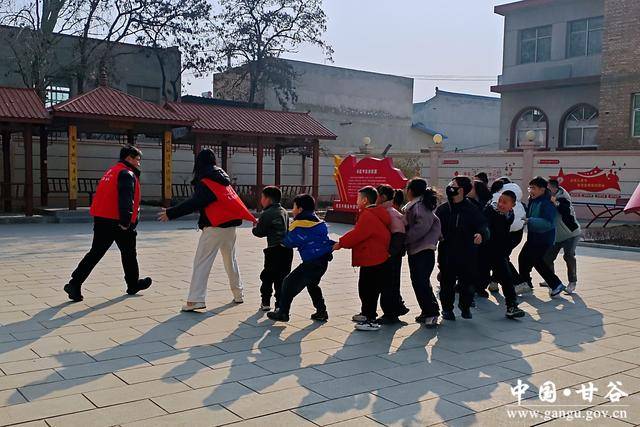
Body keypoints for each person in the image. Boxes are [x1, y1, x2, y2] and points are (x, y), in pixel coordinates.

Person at [158, 149, 256, 311]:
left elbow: (194, 202)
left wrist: (171, 213)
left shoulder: (206, 180)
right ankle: (238, 293)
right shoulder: (222, 178)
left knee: (202, 262)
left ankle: (196, 299)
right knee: (230, 260)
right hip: (230, 226)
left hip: (214, 226)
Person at [64, 145, 152, 302]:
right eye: (137, 160)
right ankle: (132, 284)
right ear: (129, 158)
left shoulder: (112, 171)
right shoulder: (126, 173)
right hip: (117, 221)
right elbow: (126, 199)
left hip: (102, 218)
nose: (139, 163)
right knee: (128, 253)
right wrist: (126, 221)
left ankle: (75, 283)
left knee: (97, 253)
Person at [267, 194, 334, 322]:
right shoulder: (319, 223)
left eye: (294, 207)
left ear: (300, 209)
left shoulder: (300, 225)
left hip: (311, 263)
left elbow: (289, 242)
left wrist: (280, 238)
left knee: (288, 283)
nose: (292, 210)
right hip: (322, 262)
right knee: (312, 285)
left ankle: (283, 312)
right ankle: (321, 311)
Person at [334, 186, 391, 331]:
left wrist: (340, 243)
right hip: (375, 256)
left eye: (358, 198)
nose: (356, 201)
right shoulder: (376, 212)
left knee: (368, 290)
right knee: (367, 288)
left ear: (365, 200)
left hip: (373, 257)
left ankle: (370, 319)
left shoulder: (368, 215)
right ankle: (366, 314)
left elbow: (357, 234)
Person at [435, 176, 489, 320]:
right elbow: (434, 227)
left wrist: (481, 234)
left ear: (462, 190)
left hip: (467, 253)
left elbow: (483, 225)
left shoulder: (472, 209)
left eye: (453, 185)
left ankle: (465, 306)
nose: (450, 188)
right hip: (447, 253)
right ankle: (447, 309)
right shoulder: (443, 209)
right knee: (446, 283)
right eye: (450, 184)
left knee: (467, 283)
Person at [516, 176, 567, 298]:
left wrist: (530, 220)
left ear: (542, 189)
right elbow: (529, 213)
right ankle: (526, 283)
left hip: (544, 238)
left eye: (533, 188)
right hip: (533, 236)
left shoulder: (547, 202)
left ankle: (556, 284)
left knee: (536, 260)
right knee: (524, 258)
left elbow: (548, 223)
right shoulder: (533, 200)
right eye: (530, 188)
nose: (530, 190)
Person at [403, 178, 442, 327]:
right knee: (419, 282)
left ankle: (432, 312)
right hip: (417, 250)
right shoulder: (417, 205)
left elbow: (421, 227)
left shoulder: (419, 207)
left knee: (421, 282)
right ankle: (426, 311)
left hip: (423, 250)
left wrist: (405, 238)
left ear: (410, 191)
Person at [483, 190, 525, 319]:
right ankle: (466, 299)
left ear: (513, 205)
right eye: (500, 201)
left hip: (499, 253)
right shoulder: (490, 211)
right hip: (484, 251)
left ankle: (512, 306)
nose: (500, 204)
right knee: (479, 277)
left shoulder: (510, 215)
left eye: (505, 202)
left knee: (506, 278)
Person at [252, 186, 294, 311]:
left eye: (262, 197)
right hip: (287, 250)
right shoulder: (284, 211)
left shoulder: (267, 213)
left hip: (274, 250)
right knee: (282, 278)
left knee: (268, 276)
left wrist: (254, 227)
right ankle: (279, 305)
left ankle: (265, 302)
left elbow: (260, 232)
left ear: (268, 199)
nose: (261, 200)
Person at [540, 179, 581, 294]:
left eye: (547, 189)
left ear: (554, 188)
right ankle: (551, 280)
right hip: (556, 236)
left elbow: (564, 210)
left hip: (571, 234)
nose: (545, 191)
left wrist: (554, 202)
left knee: (569, 256)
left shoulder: (563, 198)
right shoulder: (545, 198)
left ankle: (572, 282)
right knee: (547, 258)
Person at [376, 185, 410, 323]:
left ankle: (390, 313)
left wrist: (390, 252)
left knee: (389, 284)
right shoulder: (386, 211)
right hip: (388, 254)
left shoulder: (391, 213)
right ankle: (396, 309)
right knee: (389, 283)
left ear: (383, 197)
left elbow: (399, 234)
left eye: (376, 194)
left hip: (391, 256)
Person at [487, 178, 527, 293]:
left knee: (501, 259)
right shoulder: (517, 199)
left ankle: (518, 283)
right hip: (516, 234)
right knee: (500, 259)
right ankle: (494, 282)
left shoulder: (497, 197)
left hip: (502, 236)